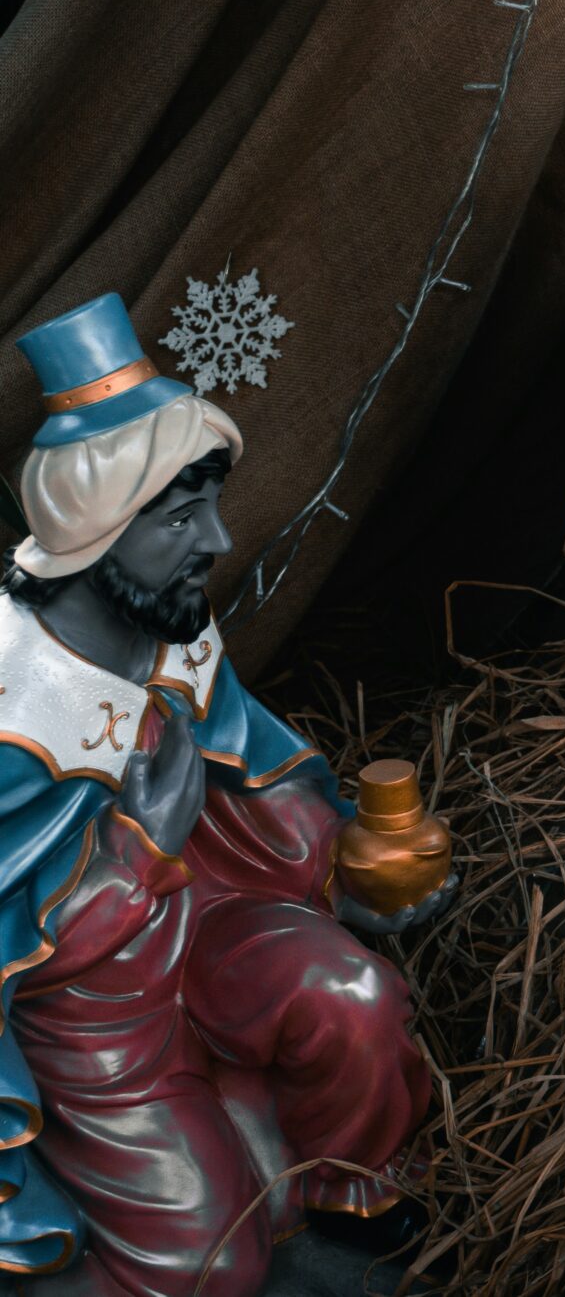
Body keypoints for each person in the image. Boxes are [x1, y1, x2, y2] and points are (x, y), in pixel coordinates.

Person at [0, 295, 443, 1294]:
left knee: (354, 998)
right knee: (208, 1262)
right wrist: (141, 849)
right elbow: (14, 935)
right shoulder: (15, 712)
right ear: (94, 530)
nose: (216, 535)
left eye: (210, 502)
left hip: (208, 931)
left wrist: (349, 867)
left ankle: (354, 1195)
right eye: (180, 514)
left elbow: (255, 778)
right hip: (92, 1017)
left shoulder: (167, 623)